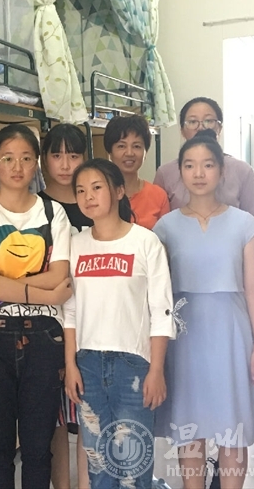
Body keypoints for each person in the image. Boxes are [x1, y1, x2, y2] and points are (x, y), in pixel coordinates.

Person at [153, 130, 254, 489]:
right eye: (189, 165)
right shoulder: (165, 227)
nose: (198, 173)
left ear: (221, 171)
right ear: (180, 172)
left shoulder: (244, 224)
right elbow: (156, 291)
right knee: (190, 428)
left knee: (233, 427)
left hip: (231, 332)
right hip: (184, 335)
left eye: (207, 165)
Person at [0, 123, 73, 489]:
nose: (17, 166)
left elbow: (60, 275)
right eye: (7, 158)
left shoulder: (53, 212)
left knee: (39, 449)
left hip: (44, 340)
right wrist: (48, 296)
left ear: (36, 163)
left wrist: (8, 285)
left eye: (26, 158)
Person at [64, 158, 176, 489]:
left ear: (118, 191)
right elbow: (69, 310)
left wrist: (156, 370)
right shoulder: (75, 245)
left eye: (97, 187)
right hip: (87, 365)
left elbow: (161, 310)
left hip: (133, 366)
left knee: (132, 465)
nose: (88, 197)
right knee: (98, 464)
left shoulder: (145, 242)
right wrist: (70, 365)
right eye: (80, 190)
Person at [40, 123, 91, 489]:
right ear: (44, 159)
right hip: (47, 321)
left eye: (73, 155)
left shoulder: (95, 202)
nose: (65, 164)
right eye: (56, 155)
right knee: (53, 420)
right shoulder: (35, 207)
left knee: (89, 416)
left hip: (91, 322)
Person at [153, 97, 254, 214]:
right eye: (192, 122)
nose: (201, 127)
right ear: (182, 131)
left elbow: (249, 220)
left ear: (219, 128)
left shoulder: (242, 170)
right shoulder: (165, 173)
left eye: (209, 121)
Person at [103, 114, 169, 229]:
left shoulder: (158, 196)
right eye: (121, 146)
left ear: (145, 152)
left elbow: (165, 237)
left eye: (137, 146)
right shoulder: (100, 193)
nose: (129, 153)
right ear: (110, 152)